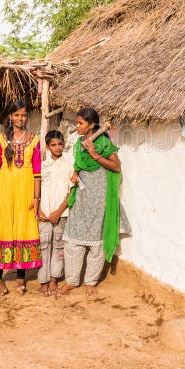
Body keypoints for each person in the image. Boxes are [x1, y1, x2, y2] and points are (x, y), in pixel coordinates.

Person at [57, 108, 130, 297]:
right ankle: (72, 280)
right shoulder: (80, 142)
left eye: (81, 123)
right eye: (77, 123)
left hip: (98, 197)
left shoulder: (103, 142)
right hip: (81, 196)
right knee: (73, 238)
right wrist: (75, 173)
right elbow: (80, 165)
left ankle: (90, 281)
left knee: (96, 242)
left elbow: (115, 166)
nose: (77, 126)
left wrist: (96, 155)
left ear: (91, 125)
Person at [0, 101, 43, 295]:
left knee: (24, 229)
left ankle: (21, 277)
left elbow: (37, 172)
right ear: (10, 117)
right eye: (17, 115)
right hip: (5, 190)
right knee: (4, 229)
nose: (21, 119)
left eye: (24, 115)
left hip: (26, 190)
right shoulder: (1, 140)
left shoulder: (35, 141)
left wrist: (36, 197)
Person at [37, 130, 73, 295]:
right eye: (53, 145)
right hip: (43, 213)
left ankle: (53, 280)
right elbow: (35, 189)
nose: (57, 147)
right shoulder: (42, 165)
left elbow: (71, 192)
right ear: (47, 146)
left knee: (58, 246)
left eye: (60, 144)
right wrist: (38, 209)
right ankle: (43, 281)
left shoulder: (69, 165)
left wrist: (59, 211)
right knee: (43, 245)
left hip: (61, 214)